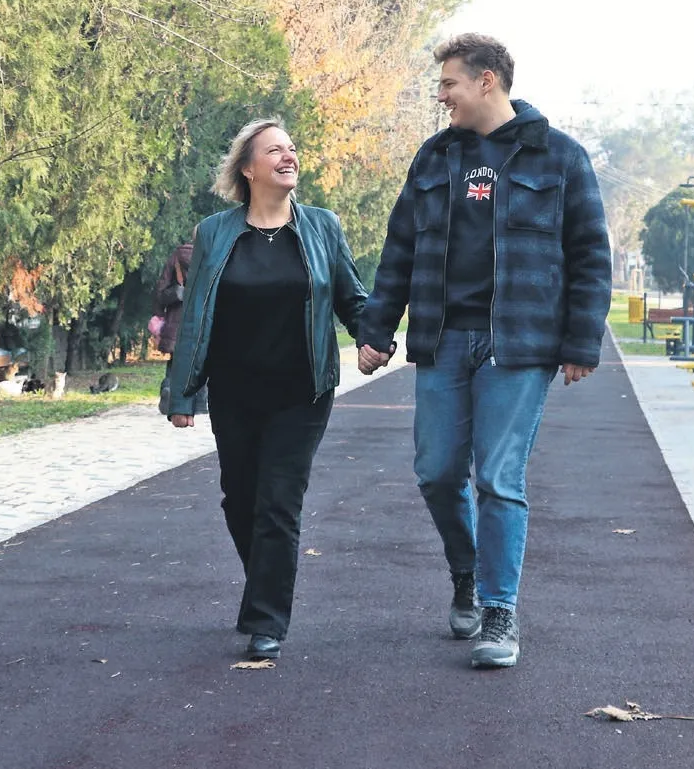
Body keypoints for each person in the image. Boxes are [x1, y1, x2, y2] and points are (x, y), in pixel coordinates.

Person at [355, 33, 612, 670]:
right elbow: (399, 249)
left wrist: (582, 340)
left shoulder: (559, 156)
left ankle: (500, 610)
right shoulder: (435, 156)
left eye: (449, 84)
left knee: (498, 478)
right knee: (437, 473)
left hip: (520, 343)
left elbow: (590, 254)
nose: (442, 96)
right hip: (442, 338)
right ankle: (466, 573)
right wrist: (376, 328)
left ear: (486, 80)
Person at [160, 118, 368, 661]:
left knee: (278, 503)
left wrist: (374, 338)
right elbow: (196, 312)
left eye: (291, 149)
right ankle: (265, 586)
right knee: (240, 499)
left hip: (303, 391)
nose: (288, 156)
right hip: (235, 391)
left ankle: (266, 620)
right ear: (248, 169)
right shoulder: (215, 232)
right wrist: (182, 393)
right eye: (275, 150)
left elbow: (351, 295)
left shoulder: (322, 226)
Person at [151, 241, 194, 355]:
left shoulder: (177, 256)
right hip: (203, 323)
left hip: (175, 324)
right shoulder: (214, 258)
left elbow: (161, 289)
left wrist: (158, 316)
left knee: (176, 361)